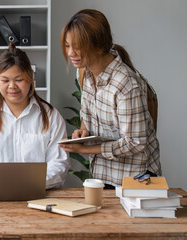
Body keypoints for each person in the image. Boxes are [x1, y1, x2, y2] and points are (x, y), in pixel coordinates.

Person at [59, 9, 162, 188]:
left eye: (77, 46)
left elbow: (136, 143)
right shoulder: (84, 72)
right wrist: (83, 130)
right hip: (103, 176)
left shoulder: (125, 84)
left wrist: (85, 150)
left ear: (99, 47)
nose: (70, 52)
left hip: (136, 179)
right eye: (67, 45)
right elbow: (88, 112)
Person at [0, 43, 70, 189]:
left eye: (19, 80)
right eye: (5, 80)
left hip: (37, 195)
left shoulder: (51, 116)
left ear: (30, 77)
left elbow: (59, 163)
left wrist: (26, 184)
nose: (12, 86)